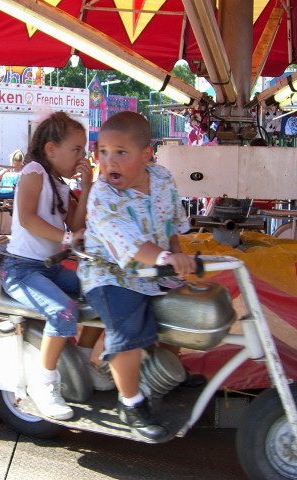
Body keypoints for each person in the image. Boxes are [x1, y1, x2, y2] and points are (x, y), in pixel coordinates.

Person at [78, 111, 196, 442]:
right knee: (129, 325)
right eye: (102, 151)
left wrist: (176, 253)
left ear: (147, 155)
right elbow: (129, 243)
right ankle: (130, 402)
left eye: (120, 152)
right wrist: (167, 258)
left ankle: (166, 375)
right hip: (112, 274)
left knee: (182, 310)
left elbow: (172, 223)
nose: (108, 161)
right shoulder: (103, 196)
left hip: (156, 268)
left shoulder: (162, 179)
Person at [1, 111, 112, 421]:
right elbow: (26, 218)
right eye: (76, 150)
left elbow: (76, 222)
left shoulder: (58, 183)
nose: (81, 156)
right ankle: (44, 381)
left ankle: (78, 362)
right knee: (64, 310)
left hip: (48, 268)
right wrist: (68, 236)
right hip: (22, 270)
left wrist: (87, 186)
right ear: (51, 149)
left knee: (103, 292)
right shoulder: (34, 172)